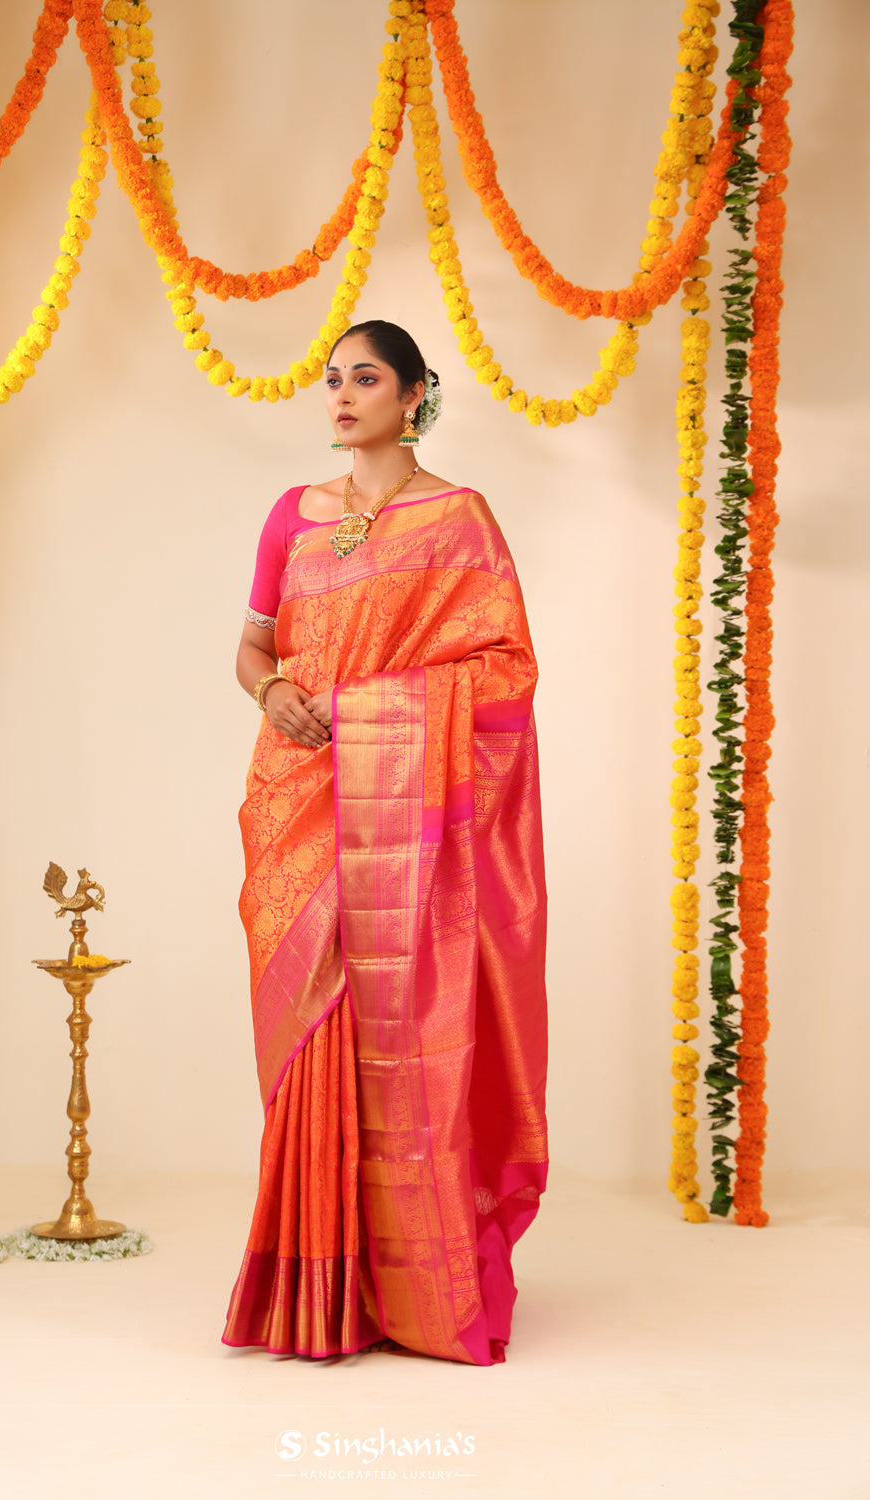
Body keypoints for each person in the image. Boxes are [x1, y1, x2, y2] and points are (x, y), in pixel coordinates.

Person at [222, 320, 548, 1365]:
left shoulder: (458, 521)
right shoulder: (291, 517)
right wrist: (273, 692)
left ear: (414, 395)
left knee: (403, 1024)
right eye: (331, 380)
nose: (341, 395)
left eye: (364, 378)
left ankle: (410, 1283)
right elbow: (252, 648)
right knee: (313, 1029)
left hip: (407, 819)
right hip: (302, 800)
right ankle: (316, 1284)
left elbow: (503, 671)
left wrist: (373, 713)